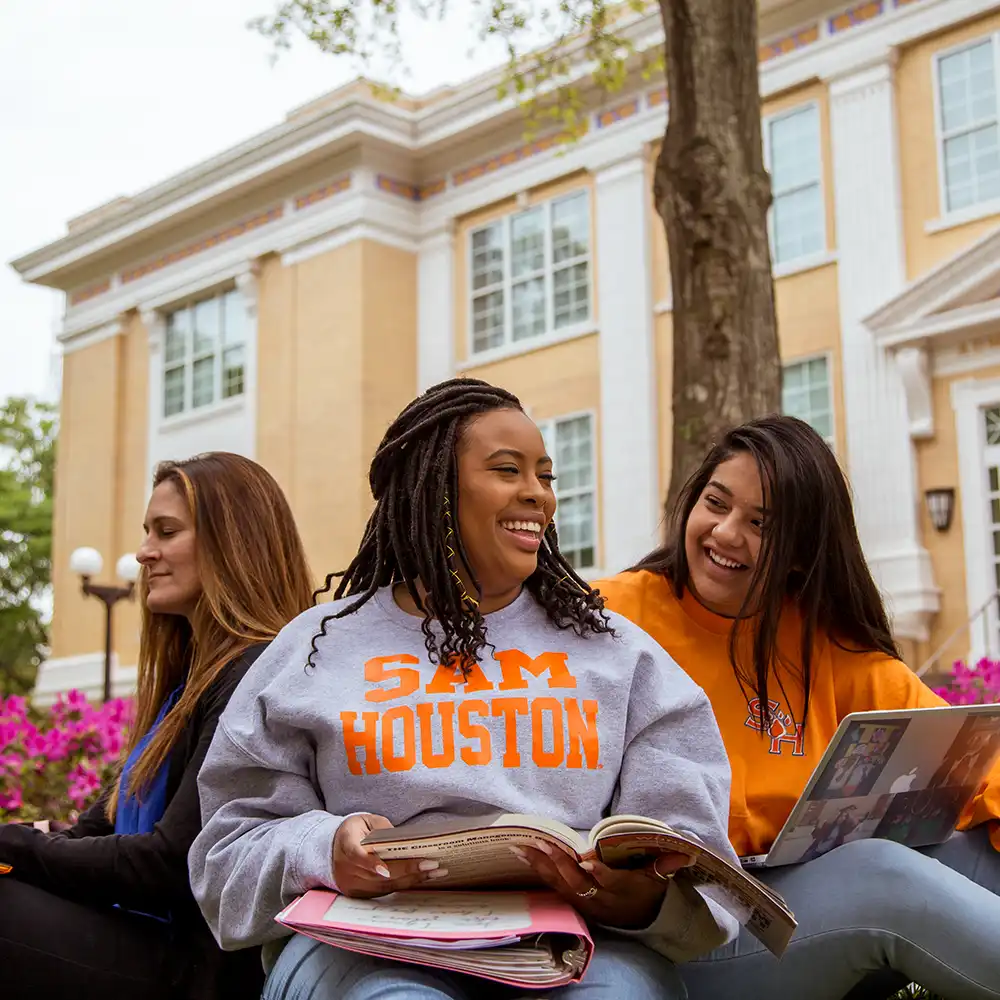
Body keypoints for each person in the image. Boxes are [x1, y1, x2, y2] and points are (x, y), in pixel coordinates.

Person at [189, 378, 742, 1000]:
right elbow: (226, 862)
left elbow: (698, 871)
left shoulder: (621, 653)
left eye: (546, 476)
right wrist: (327, 850)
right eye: (507, 470)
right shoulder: (312, 651)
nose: (537, 494)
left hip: (573, 948)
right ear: (431, 491)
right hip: (364, 949)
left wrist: (639, 897)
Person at [593, 415, 1000, 1000]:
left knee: (980, 853)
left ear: (802, 556)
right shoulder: (611, 618)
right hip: (686, 935)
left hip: (814, 904)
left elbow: (971, 759)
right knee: (880, 875)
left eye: (760, 524)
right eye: (716, 503)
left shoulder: (823, 641)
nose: (726, 534)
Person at [0, 452, 314, 1000]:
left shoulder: (256, 674)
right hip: (143, 937)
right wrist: (27, 843)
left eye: (166, 532)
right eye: (147, 532)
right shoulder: (185, 689)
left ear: (232, 542)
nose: (145, 552)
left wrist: (15, 846)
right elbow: (95, 831)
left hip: (193, 967)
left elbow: (172, 866)